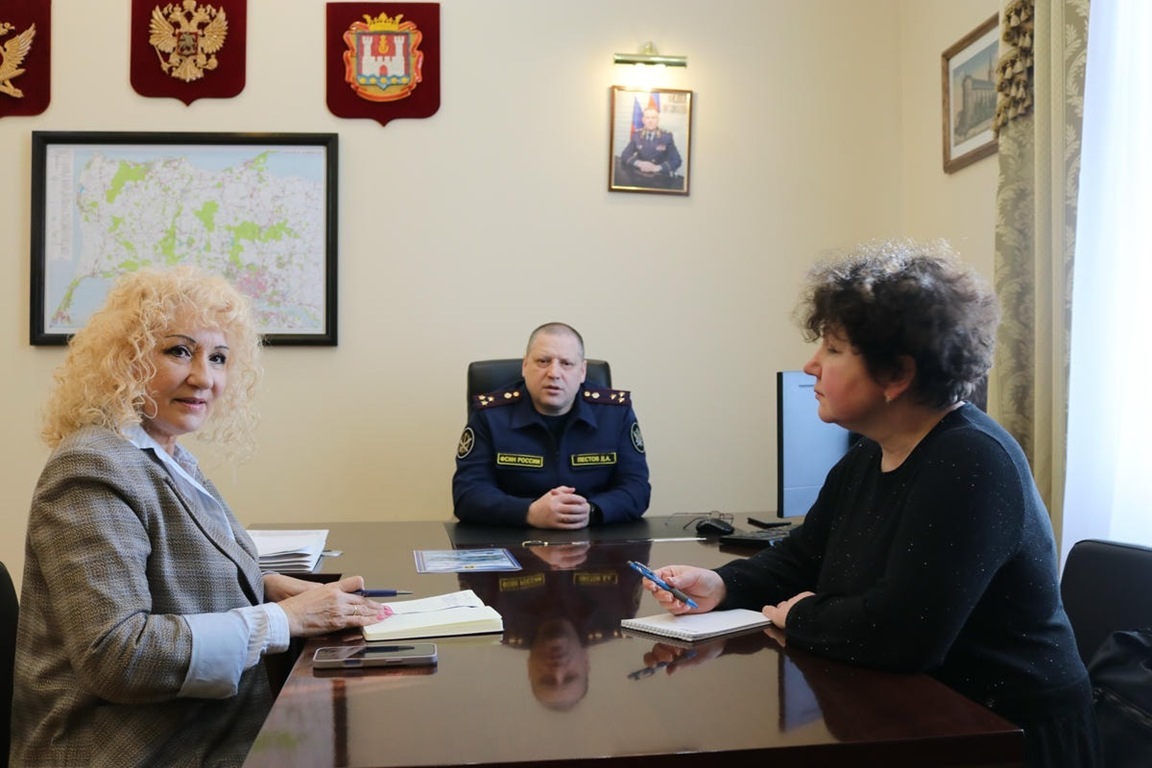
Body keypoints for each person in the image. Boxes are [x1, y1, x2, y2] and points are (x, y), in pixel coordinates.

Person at [642, 240, 1101, 768]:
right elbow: (803, 557)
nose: (811, 365)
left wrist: (802, 615)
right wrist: (722, 585)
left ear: (896, 375)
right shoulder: (869, 453)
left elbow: (903, 634)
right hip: (922, 714)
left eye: (834, 349)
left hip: (1005, 735)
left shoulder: (971, 460)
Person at [10, 267, 388, 768]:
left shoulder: (168, 457)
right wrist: (284, 619)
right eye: (179, 351)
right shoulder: (91, 466)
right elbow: (116, 654)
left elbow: (165, 576)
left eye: (218, 358)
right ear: (125, 359)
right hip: (130, 750)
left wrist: (260, 587)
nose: (204, 377)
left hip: (200, 727)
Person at [453, 322, 650, 528]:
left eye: (566, 363)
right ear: (525, 366)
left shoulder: (615, 414)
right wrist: (528, 512)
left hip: (595, 536)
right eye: (543, 361)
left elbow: (637, 488)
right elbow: (467, 493)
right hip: (513, 536)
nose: (554, 373)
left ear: (582, 371)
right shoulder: (490, 415)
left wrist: (592, 511)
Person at [616, 107, 684, 190]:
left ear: (658, 120)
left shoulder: (666, 137)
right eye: (647, 118)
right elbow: (625, 154)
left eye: (653, 118)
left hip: (659, 179)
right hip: (640, 177)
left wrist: (657, 168)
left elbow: (677, 160)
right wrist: (639, 163)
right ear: (643, 120)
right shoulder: (637, 135)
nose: (650, 121)